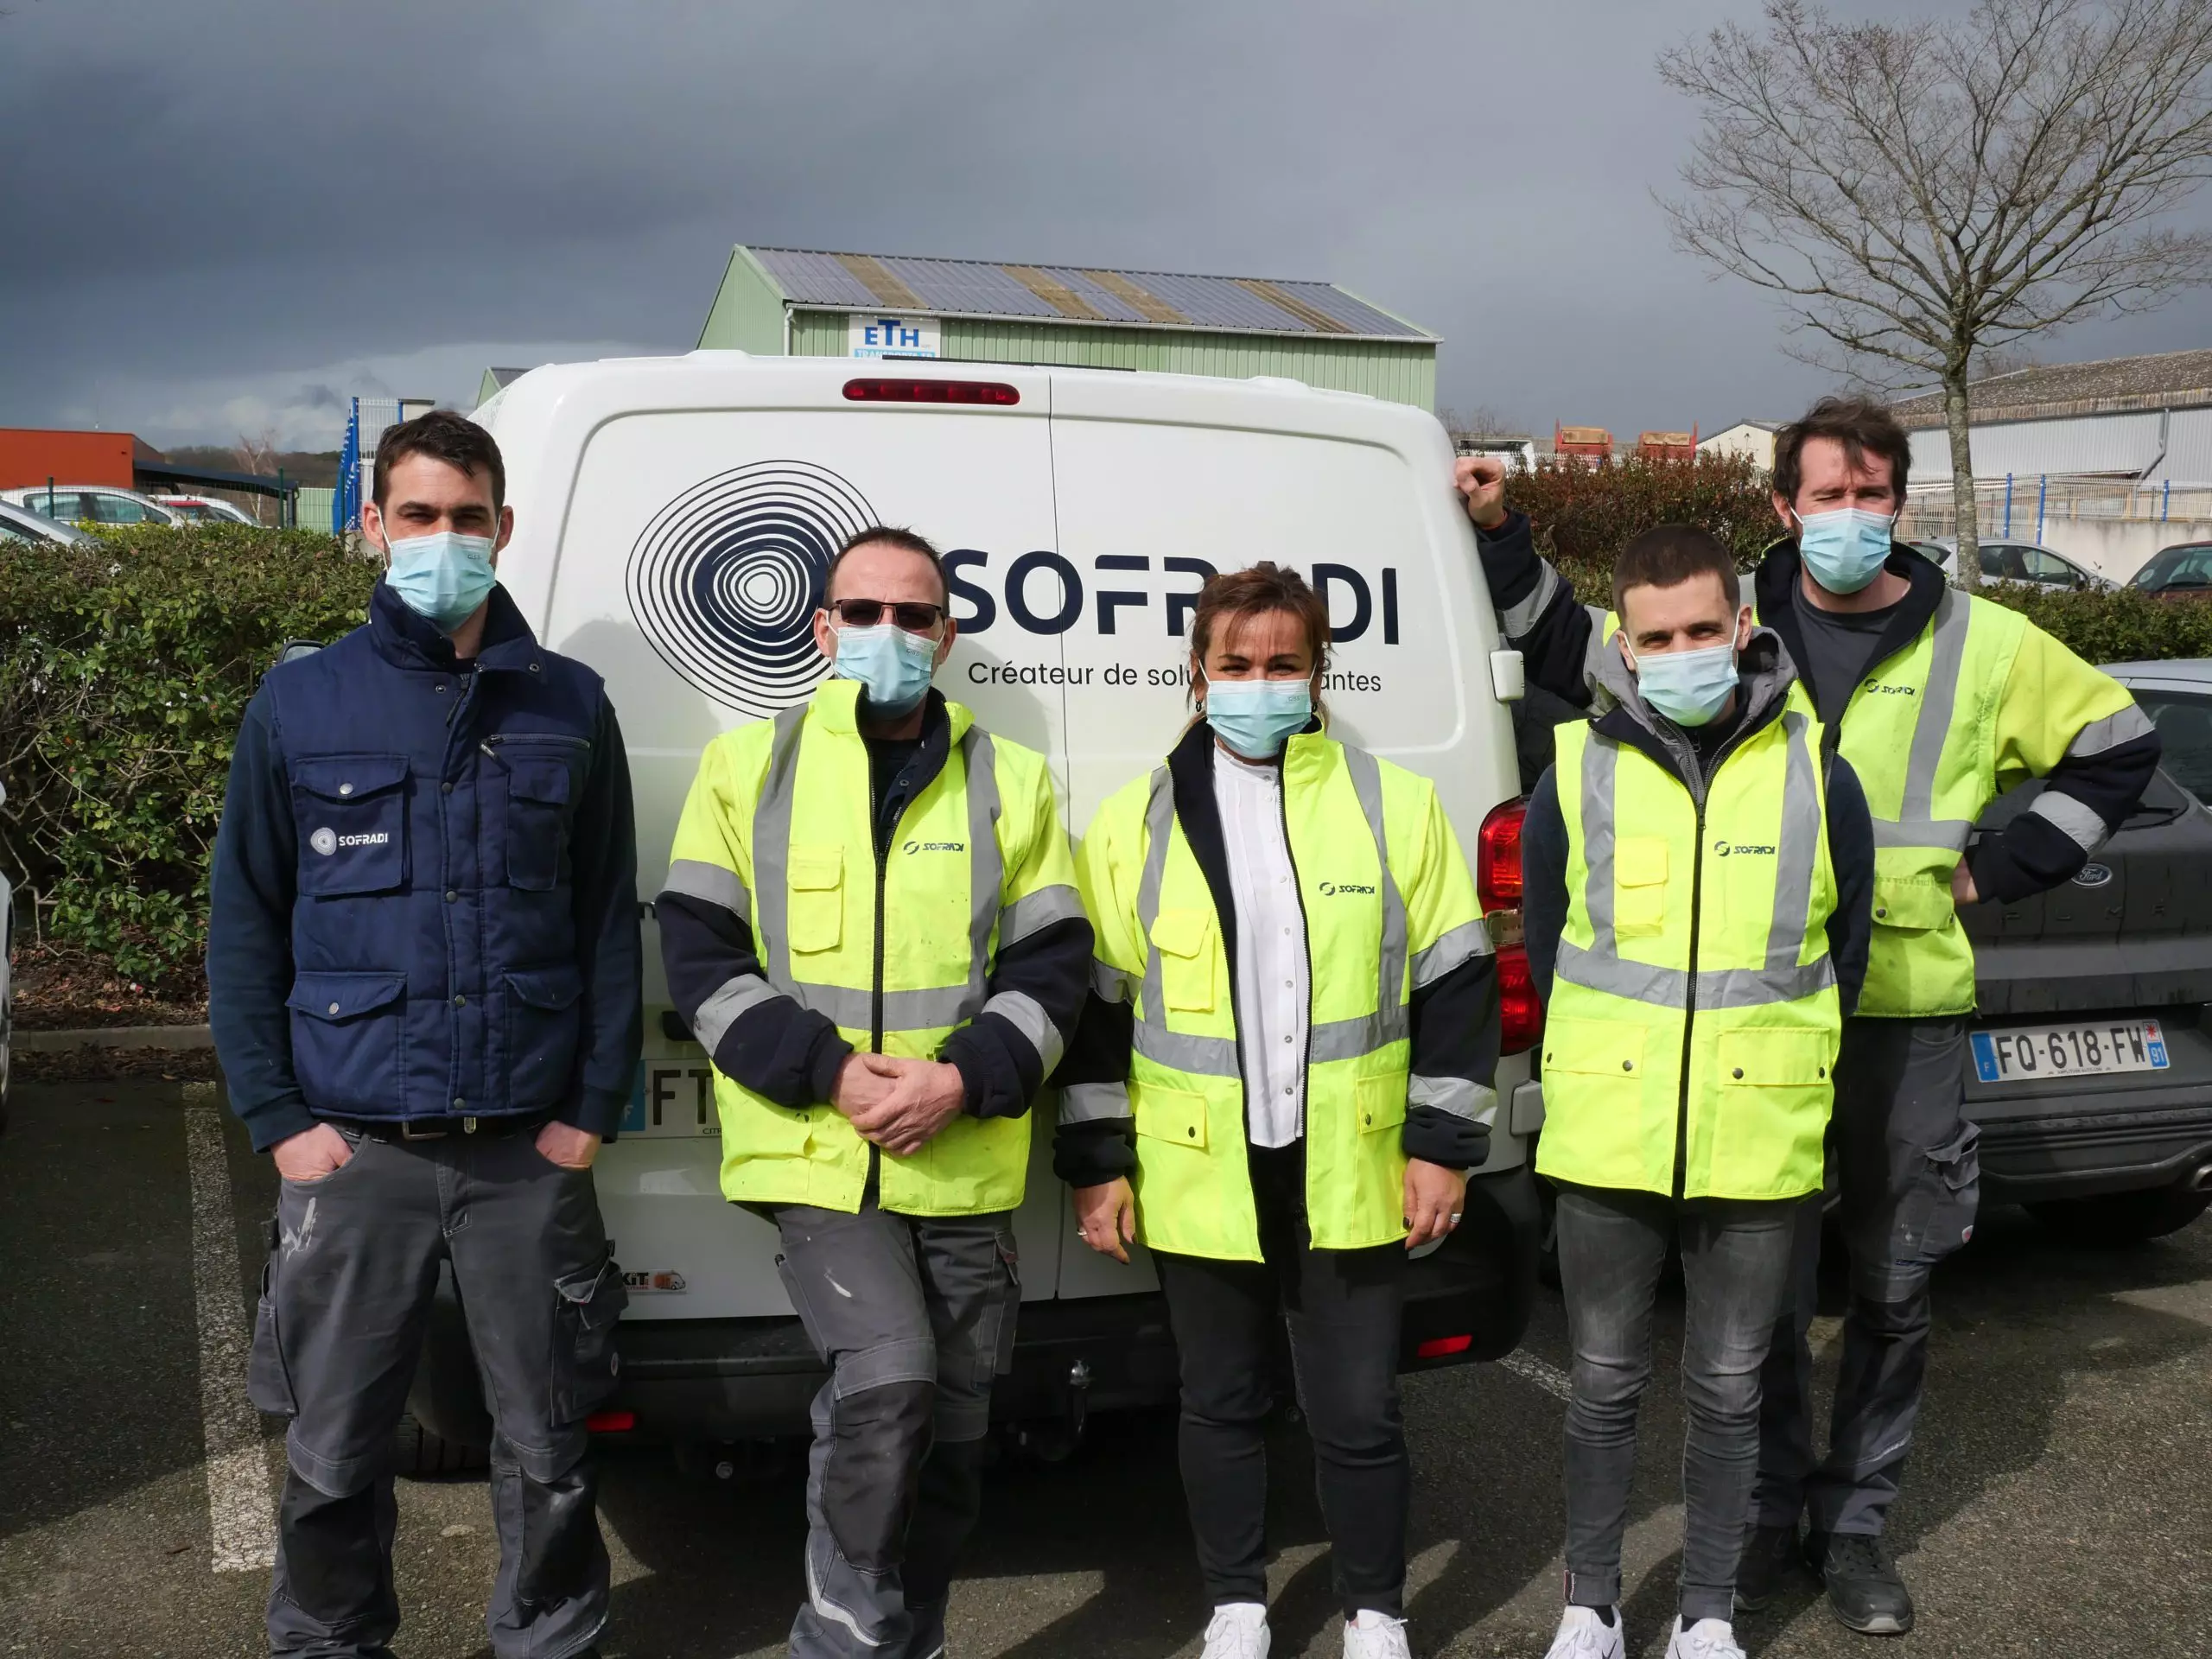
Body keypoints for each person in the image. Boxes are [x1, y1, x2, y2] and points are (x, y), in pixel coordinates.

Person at [1458, 397, 2159, 1636]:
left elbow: (2119, 743)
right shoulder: (1728, 622)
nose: (1849, 516)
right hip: (1745, 1037)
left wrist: (1999, 869)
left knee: (1891, 1288)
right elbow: (1577, 649)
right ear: (1783, 507)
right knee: (1761, 1309)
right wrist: (1504, 529)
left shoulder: (1981, 642)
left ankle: (1854, 1530)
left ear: (1901, 503)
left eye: (1871, 493)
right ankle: (1761, 1524)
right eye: (1825, 494)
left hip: (1900, 1013)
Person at [208, 409, 643, 1659]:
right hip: (357, 1153)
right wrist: (281, 1125)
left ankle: (548, 1642)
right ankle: (330, 1644)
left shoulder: (569, 707)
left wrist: (588, 1115)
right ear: (373, 529)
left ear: (503, 530)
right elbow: (247, 926)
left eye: (466, 518)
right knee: (333, 1453)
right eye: (418, 517)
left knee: (550, 1452)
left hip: (526, 1154)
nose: (442, 540)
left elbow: (605, 919)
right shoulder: (300, 707)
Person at [656, 525, 1090, 1659]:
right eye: (864, 613)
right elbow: (698, 951)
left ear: (946, 636)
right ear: (821, 628)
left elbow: (1054, 965)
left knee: (952, 1434)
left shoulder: (1014, 780)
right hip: (819, 1151)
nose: (888, 635)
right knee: (889, 1381)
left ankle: (916, 1634)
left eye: (913, 616)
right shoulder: (746, 769)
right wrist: (831, 1072)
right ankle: (838, 1643)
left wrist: (962, 1077)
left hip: (961, 1153)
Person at [1055, 563, 1500, 1659]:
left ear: (1318, 674)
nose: (1260, 682)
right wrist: (1097, 1159)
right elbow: (1098, 1008)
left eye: (1284, 664)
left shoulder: (1393, 803)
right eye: (1236, 663)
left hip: (1349, 1161)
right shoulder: (1136, 821)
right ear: (1197, 677)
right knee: (1221, 1403)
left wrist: (1443, 1149)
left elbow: (1456, 981)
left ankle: (1376, 1611)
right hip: (1200, 1167)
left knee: (1357, 1414)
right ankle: (1237, 1607)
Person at [1520, 526, 1873, 1659]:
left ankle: (1706, 1612)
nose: (1679, 653)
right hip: (1607, 1136)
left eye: (1700, 631)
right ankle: (1590, 1605)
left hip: (1757, 1136)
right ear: (1624, 642)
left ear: (1742, 629)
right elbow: (1545, 938)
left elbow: (1844, 954)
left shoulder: (1821, 774)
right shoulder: (1574, 768)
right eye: (1655, 636)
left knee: (1730, 1392)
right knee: (1603, 1387)